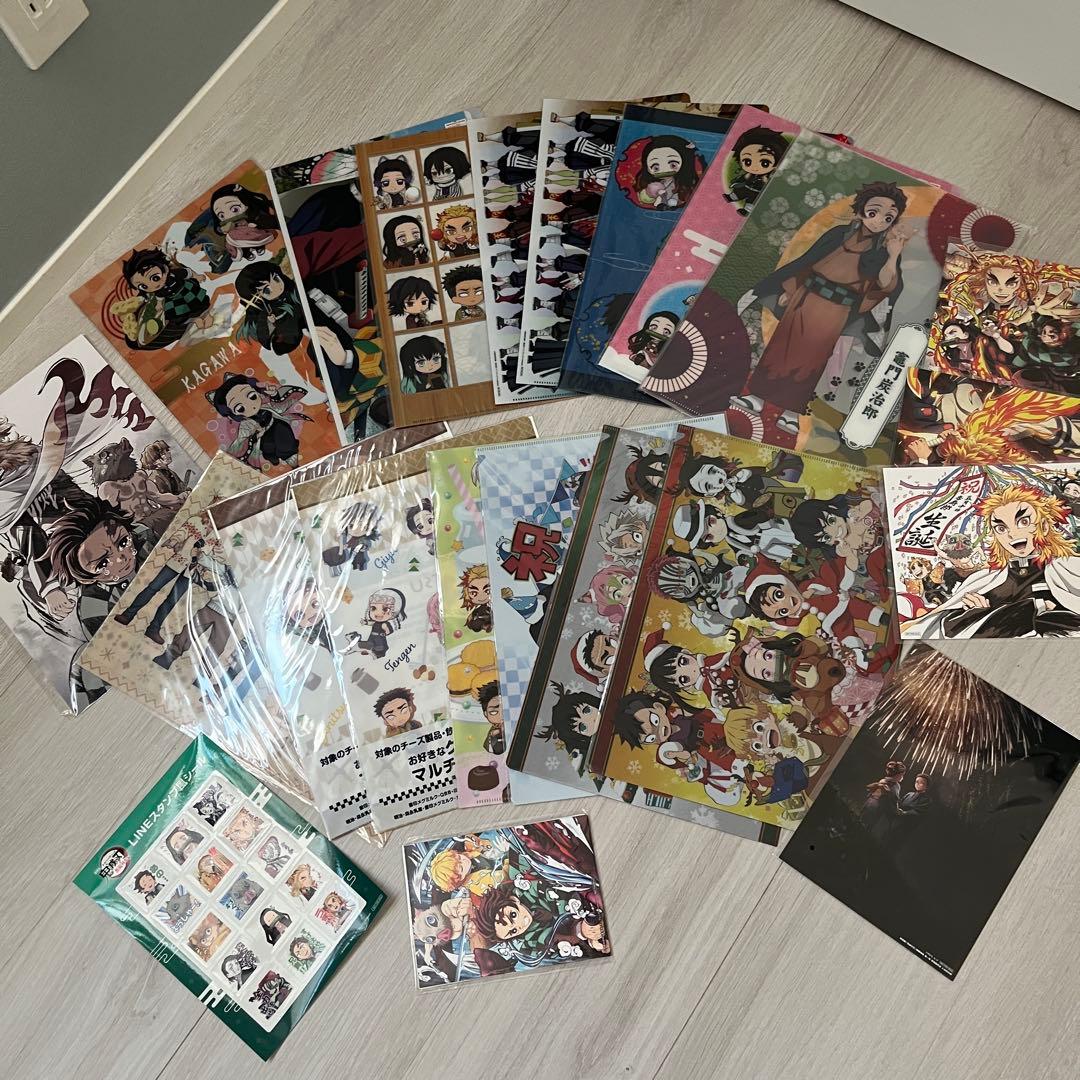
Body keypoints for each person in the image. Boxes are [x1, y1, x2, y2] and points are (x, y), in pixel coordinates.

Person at [736, 181, 910, 430]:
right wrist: (790, 288)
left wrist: (893, 255)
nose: (879, 221)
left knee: (813, 358)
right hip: (805, 296)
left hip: (837, 309)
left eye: (888, 217)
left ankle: (791, 412)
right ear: (861, 209)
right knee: (782, 346)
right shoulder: (838, 233)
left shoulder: (882, 250)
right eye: (874, 212)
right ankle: (757, 397)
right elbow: (808, 261)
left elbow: (886, 285)